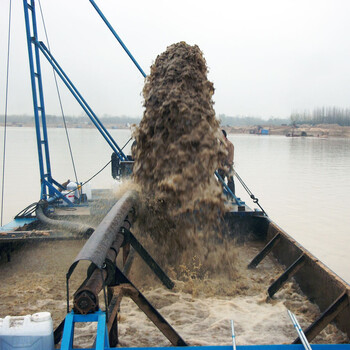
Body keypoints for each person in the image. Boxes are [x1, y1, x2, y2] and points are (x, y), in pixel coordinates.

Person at [219, 129, 235, 195]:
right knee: (220, 180)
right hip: (220, 165)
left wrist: (229, 164)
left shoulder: (230, 144)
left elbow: (231, 155)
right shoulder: (219, 144)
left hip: (228, 165)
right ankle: (220, 194)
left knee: (230, 181)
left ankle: (231, 195)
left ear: (224, 136)